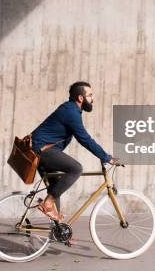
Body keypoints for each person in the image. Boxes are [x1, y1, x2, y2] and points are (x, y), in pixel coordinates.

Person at [31, 81, 120, 221]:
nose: (93, 99)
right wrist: (106, 157)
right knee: (76, 169)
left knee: (55, 189)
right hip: (40, 150)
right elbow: (85, 139)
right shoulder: (71, 112)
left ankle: (59, 233)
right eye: (90, 95)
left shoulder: (71, 110)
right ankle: (47, 203)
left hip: (40, 149)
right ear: (81, 98)